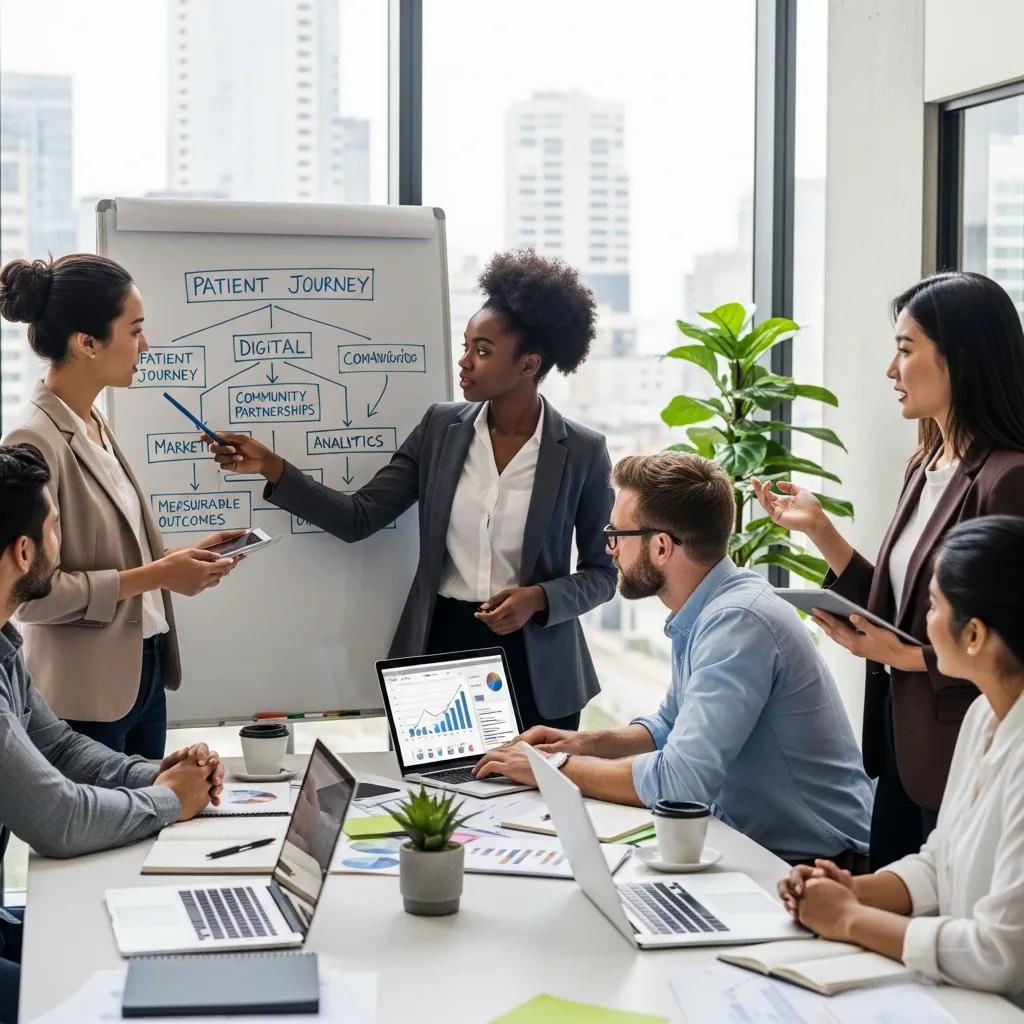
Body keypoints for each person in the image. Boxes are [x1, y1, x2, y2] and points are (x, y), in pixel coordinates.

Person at [205, 250, 616, 729]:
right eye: (465, 345)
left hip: (539, 663)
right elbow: (359, 516)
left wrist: (540, 598)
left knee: (536, 801)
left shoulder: (583, 451)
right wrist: (272, 468)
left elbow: (602, 573)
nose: (464, 362)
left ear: (529, 364)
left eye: (482, 351)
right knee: (439, 800)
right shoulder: (441, 429)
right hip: (441, 646)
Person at [474, 452, 872, 866]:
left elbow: (680, 782)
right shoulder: (716, 606)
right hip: (763, 851)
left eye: (616, 535)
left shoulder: (737, 621)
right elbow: (668, 725)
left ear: (661, 546)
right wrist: (579, 742)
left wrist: (552, 768)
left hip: (821, 867)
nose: (609, 550)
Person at [752, 271, 1024, 870]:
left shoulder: (1008, 479)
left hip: (961, 754)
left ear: (961, 358)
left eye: (905, 349)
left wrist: (905, 658)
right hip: (901, 748)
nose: (890, 369)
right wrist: (821, 533)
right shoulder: (924, 464)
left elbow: (1010, 644)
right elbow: (906, 606)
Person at [0, 442, 225, 1024]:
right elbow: (58, 818)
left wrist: (157, 770)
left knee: (129, 961)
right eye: (55, 527)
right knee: (92, 996)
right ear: (25, 552)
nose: (60, 540)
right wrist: (170, 800)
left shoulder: (3, 647)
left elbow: (58, 746)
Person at [0, 254, 245, 757]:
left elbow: (106, 549)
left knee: (151, 829)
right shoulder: (34, 438)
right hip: (83, 699)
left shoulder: (94, 423)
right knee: (97, 832)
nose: (145, 345)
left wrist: (179, 559)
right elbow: (30, 595)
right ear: (86, 342)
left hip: (143, 674)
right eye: (134, 331)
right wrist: (158, 575)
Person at [778, 516, 1024, 1007]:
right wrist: (849, 889)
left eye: (932, 605)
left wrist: (849, 919)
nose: (924, 622)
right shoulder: (983, 715)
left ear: (973, 634)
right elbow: (940, 865)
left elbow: (1003, 952)